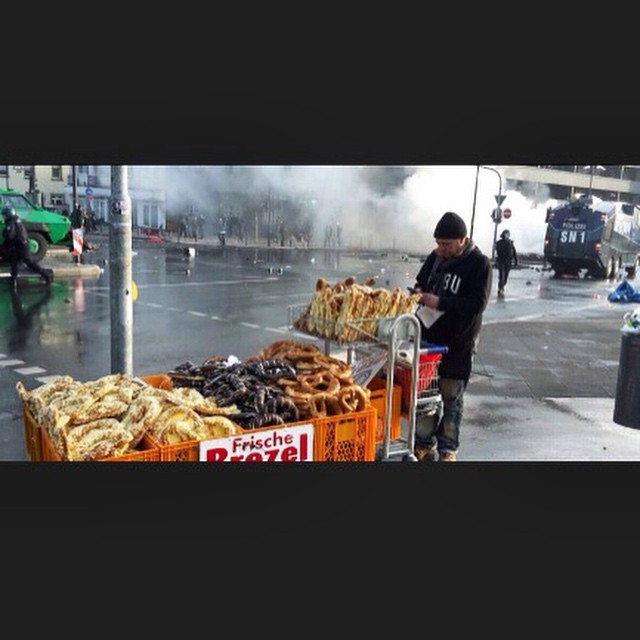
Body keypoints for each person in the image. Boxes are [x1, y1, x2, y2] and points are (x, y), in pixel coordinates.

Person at [411, 211, 492, 462]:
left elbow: (477, 303)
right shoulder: (435, 258)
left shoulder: (479, 264)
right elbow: (421, 282)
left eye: (446, 244)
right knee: (424, 394)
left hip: (459, 341)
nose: (441, 249)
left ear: (462, 240)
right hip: (429, 338)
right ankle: (423, 442)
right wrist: (418, 293)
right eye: (438, 243)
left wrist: (441, 302)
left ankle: (448, 448)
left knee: (451, 396)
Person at [1, 205, 53, 288]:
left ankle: (46, 274)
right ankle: (13, 278)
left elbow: (9, 235)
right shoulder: (16, 220)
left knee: (29, 262)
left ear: (8, 214)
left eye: (4, 215)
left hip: (21, 245)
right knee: (13, 260)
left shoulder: (11, 222)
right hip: (19, 244)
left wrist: (4, 232)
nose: (3, 217)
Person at [495, 229, 518, 297]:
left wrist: (516, 261)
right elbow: (498, 251)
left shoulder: (510, 243)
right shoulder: (499, 243)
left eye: (508, 234)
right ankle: (500, 288)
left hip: (508, 262)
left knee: (506, 277)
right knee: (502, 275)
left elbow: (514, 252)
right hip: (501, 261)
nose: (507, 236)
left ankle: (502, 286)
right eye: (506, 234)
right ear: (503, 235)